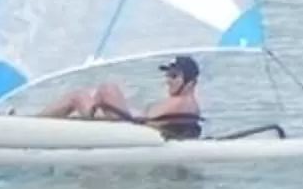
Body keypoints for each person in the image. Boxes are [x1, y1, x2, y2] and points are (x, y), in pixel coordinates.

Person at [42, 55, 203, 138]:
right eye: (167, 75)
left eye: (174, 76)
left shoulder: (183, 103)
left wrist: (110, 102)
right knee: (90, 94)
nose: (168, 80)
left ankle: (36, 122)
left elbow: (148, 125)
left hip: (128, 130)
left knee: (86, 95)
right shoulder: (183, 103)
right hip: (131, 125)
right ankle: (42, 121)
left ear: (190, 83)